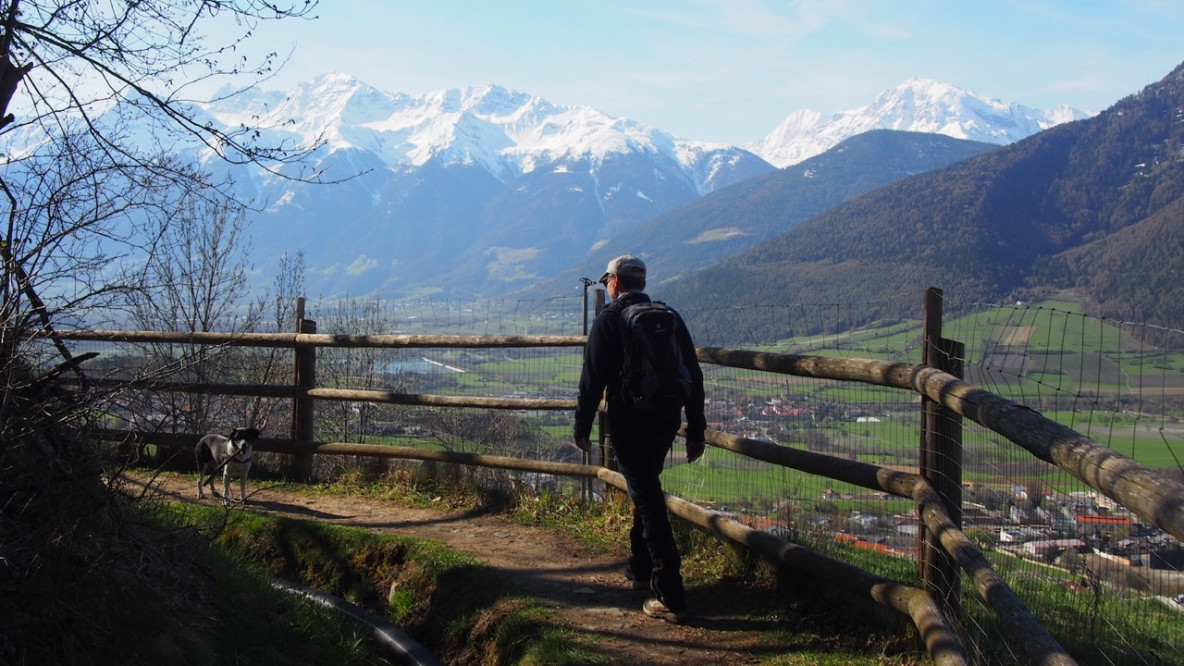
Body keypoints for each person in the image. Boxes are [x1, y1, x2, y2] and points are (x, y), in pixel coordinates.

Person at [573, 254, 706, 624]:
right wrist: (695, 430)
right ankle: (641, 568)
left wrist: (581, 428)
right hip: (665, 420)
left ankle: (670, 592)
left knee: (646, 497)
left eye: (607, 282)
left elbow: (592, 380)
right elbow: (693, 376)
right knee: (645, 486)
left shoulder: (610, 319)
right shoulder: (670, 317)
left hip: (628, 420)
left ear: (614, 283)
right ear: (642, 284)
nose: (607, 286)